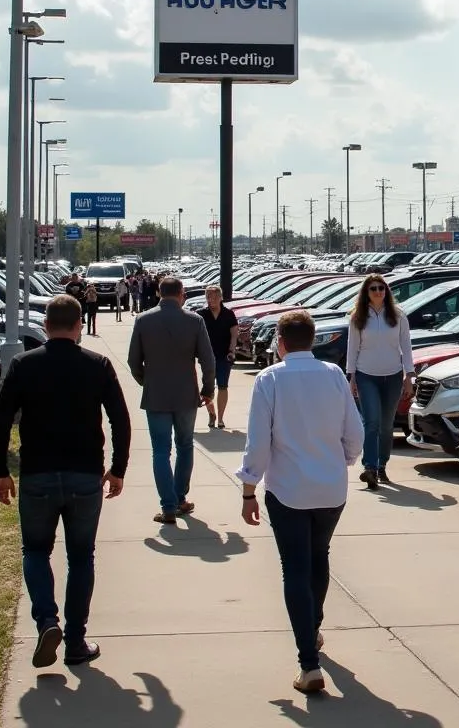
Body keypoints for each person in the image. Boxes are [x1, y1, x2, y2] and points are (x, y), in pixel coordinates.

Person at [0, 294, 131, 669]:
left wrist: (1, 472)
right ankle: (76, 640)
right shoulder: (97, 365)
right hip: (85, 475)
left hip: (37, 473)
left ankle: (47, 621)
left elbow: (0, 420)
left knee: (35, 551)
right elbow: (120, 419)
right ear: (78, 324)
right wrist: (118, 468)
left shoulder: (23, 364)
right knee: (81, 557)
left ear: (47, 325)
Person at [237, 309, 363, 694]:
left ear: (280, 342)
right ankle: (313, 627)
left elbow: (258, 441)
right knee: (318, 555)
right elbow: (355, 431)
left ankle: (308, 662)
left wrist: (248, 487)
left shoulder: (270, 379)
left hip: (287, 490)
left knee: (294, 567)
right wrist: (341, 459)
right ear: (312, 340)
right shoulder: (334, 375)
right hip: (330, 489)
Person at [127, 277, 215, 524]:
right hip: (186, 395)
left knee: (160, 450)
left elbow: (134, 361)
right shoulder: (195, 321)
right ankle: (179, 497)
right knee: (185, 445)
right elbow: (208, 361)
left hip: (156, 395)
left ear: (158, 292)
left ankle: (167, 506)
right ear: (181, 294)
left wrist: (147, 381)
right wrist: (208, 389)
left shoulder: (143, 320)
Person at [344, 274, 414, 490]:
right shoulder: (358, 318)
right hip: (366, 376)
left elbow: (406, 346)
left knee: (386, 425)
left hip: (392, 376)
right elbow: (352, 348)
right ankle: (370, 468)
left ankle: (382, 464)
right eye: (373, 288)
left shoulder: (398, 316)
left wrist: (409, 375)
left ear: (386, 292)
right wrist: (351, 377)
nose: (378, 292)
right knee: (371, 421)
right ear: (366, 292)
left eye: (381, 288)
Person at [200, 284, 239, 429]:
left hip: (224, 356)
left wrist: (232, 351)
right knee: (208, 388)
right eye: (209, 297)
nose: (212, 300)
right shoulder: (201, 314)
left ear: (221, 298)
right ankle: (212, 414)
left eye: (215, 297)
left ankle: (221, 418)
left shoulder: (229, 314)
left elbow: (234, 334)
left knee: (223, 386)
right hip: (207, 357)